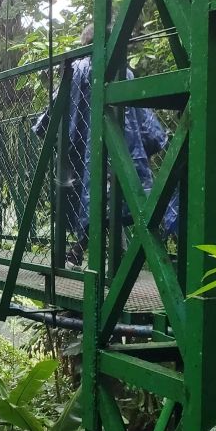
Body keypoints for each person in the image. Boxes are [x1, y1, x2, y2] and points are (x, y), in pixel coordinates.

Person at [35, 23, 178, 265]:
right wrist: (150, 143)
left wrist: (44, 128)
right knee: (120, 200)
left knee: (97, 200)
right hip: (123, 151)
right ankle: (129, 259)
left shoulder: (78, 68)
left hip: (86, 152)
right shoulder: (125, 72)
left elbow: (56, 107)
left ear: (85, 44)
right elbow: (144, 123)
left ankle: (79, 253)